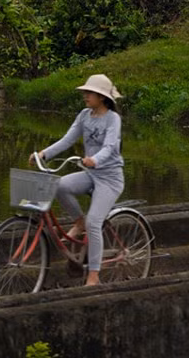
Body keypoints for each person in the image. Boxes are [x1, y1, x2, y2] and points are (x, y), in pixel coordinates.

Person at [34, 73, 124, 287]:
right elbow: (68, 139)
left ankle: (94, 275)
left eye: (90, 92)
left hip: (110, 178)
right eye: (85, 92)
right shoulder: (84, 115)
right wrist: (44, 154)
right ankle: (78, 222)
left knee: (94, 222)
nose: (85, 96)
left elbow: (110, 146)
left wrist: (95, 159)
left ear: (102, 97)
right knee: (60, 185)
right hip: (91, 174)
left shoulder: (113, 118)